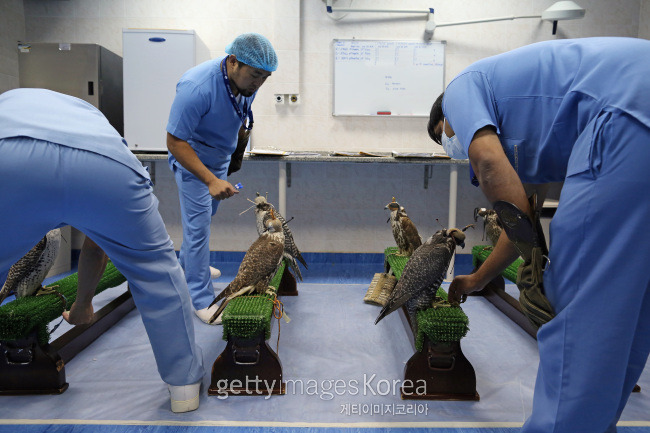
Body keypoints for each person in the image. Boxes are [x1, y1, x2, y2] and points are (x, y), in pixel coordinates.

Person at [428, 37, 650, 433]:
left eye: (444, 135)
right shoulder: (532, 136)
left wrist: (535, 262)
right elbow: (522, 218)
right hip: (635, 106)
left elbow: (489, 164)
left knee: (580, 301)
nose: (451, 143)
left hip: (624, 115)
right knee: (627, 305)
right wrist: (478, 279)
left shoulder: (462, 86)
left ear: (445, 116)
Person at [0, 88, 205, 413]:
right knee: (157, 274)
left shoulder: (12, 101)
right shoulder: (90, 118)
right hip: (104, 163)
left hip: (9, 154)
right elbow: (97, 245)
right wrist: (83, 304)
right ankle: (184, 387)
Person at [166, 33, 277, 324]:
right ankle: (202, 299)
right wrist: (210, 180)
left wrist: (224, 167)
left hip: (219, 161)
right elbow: (175, 142)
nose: (258, 84)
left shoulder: (245, 80)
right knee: (198, 227)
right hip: (193, 161)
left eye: (265, 78)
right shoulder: (197, 87)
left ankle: (187, 269)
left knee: (202, 220)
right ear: (232, 62)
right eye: (255, 76)